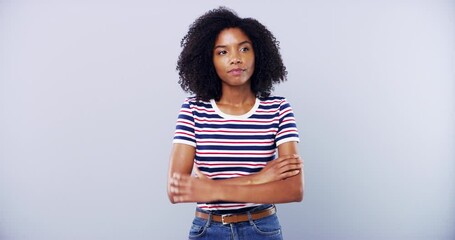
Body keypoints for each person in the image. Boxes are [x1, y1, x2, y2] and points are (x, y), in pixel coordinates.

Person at [167, 6, 304, 240]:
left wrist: (212, 189)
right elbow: (176, 189)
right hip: (208, 230)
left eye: (244, 48)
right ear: (208, 60)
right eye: (222, 52)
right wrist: (257, 179)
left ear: (258, 53)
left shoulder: (278, 109)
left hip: (262, 228)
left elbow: (293, 189)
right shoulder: (193, 110)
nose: (235, 58)